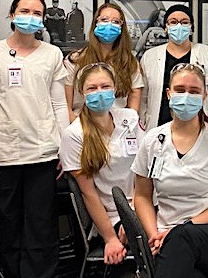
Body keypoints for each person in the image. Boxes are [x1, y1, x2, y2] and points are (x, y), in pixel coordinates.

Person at [0, 0, 68, 278]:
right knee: (9, 225)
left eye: (37, 13)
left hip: (42, 153)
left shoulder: (51, 54)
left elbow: (59, 104)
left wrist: (65, 148)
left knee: (41, 227)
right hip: (3, 153)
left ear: (43, 20)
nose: (31, 17)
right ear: (12, 15)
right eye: (25, 10)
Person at [131, 63, 208, 277]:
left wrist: (184, 228)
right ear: (168, 94)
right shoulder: (152, 140)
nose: (186, 96)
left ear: (204, 96)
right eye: (180, 90)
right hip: (166, 236)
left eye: (194, 92)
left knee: (182, 239)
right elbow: (141, 196)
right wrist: (154, 235)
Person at [60, 62, 144, 267]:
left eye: (105, 87)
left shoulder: (130, 118)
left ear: (115, 88)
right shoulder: (74, 135)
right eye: (92, 88)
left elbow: (146, 170)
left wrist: (136, 212)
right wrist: (110, 239)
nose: (99, 93)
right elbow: (89, 194)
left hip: (144, 203)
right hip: (114, 215)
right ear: (82, 92)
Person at [140, 4, 208, 130]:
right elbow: (143, 98)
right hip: (159, 125)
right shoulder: (150, 57)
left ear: (191, 28)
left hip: (199, 127)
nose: (178, 26)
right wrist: (142, 128)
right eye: (173, 22)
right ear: (166, 27)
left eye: (184, 22)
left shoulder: (207, 53)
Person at [64, 3, 143, 122]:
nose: (109, 25)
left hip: (118, 129)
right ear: (95, 23)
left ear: (122, 27)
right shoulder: (76, 60)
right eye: (104, 20)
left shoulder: (130, 63)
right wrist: (78, 131)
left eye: (115, 21)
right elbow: (66, 107)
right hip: (82, 127)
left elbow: (133, 110)